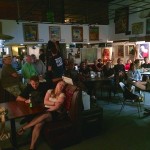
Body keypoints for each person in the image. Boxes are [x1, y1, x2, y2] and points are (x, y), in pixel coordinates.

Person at [17, 81, 66, 150]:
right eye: (60, 84)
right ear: (56, 84)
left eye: (63, 86)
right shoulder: (50, 91)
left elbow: (57, 107)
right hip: (46, 110)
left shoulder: (62, 95)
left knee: (45, 114)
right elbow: (45, 101)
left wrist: (48, 108)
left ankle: (24, 128)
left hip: (55, 113)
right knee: (39, 124)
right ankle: (32, 147)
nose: (61, 86)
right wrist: (55, 102)